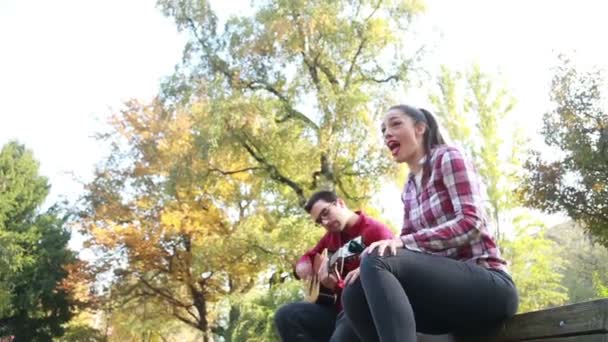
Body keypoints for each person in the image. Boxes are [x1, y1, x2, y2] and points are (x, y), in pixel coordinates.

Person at [341, 105, 519, 342]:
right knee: (354, 289)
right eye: (383, 130)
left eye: (395, 124)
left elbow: (471, 222)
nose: (386, 134)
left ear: (420, 128)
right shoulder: (409, 188)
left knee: (377, 260)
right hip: (445, 303)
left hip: (489, 288)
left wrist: (392, 248)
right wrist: (367, 263)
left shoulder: (447, 157)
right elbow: (400, 244)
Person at [274, 190, 394, 342]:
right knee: (286, 315)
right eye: (319, 221)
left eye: (325, 213)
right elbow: (311, 255)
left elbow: (388, 279)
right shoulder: (331, 237)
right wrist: (303, 264)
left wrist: (337, 285)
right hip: (334, 311)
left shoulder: (375, 232)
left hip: (363, 312)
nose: (325, 222)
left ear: (340, 203)